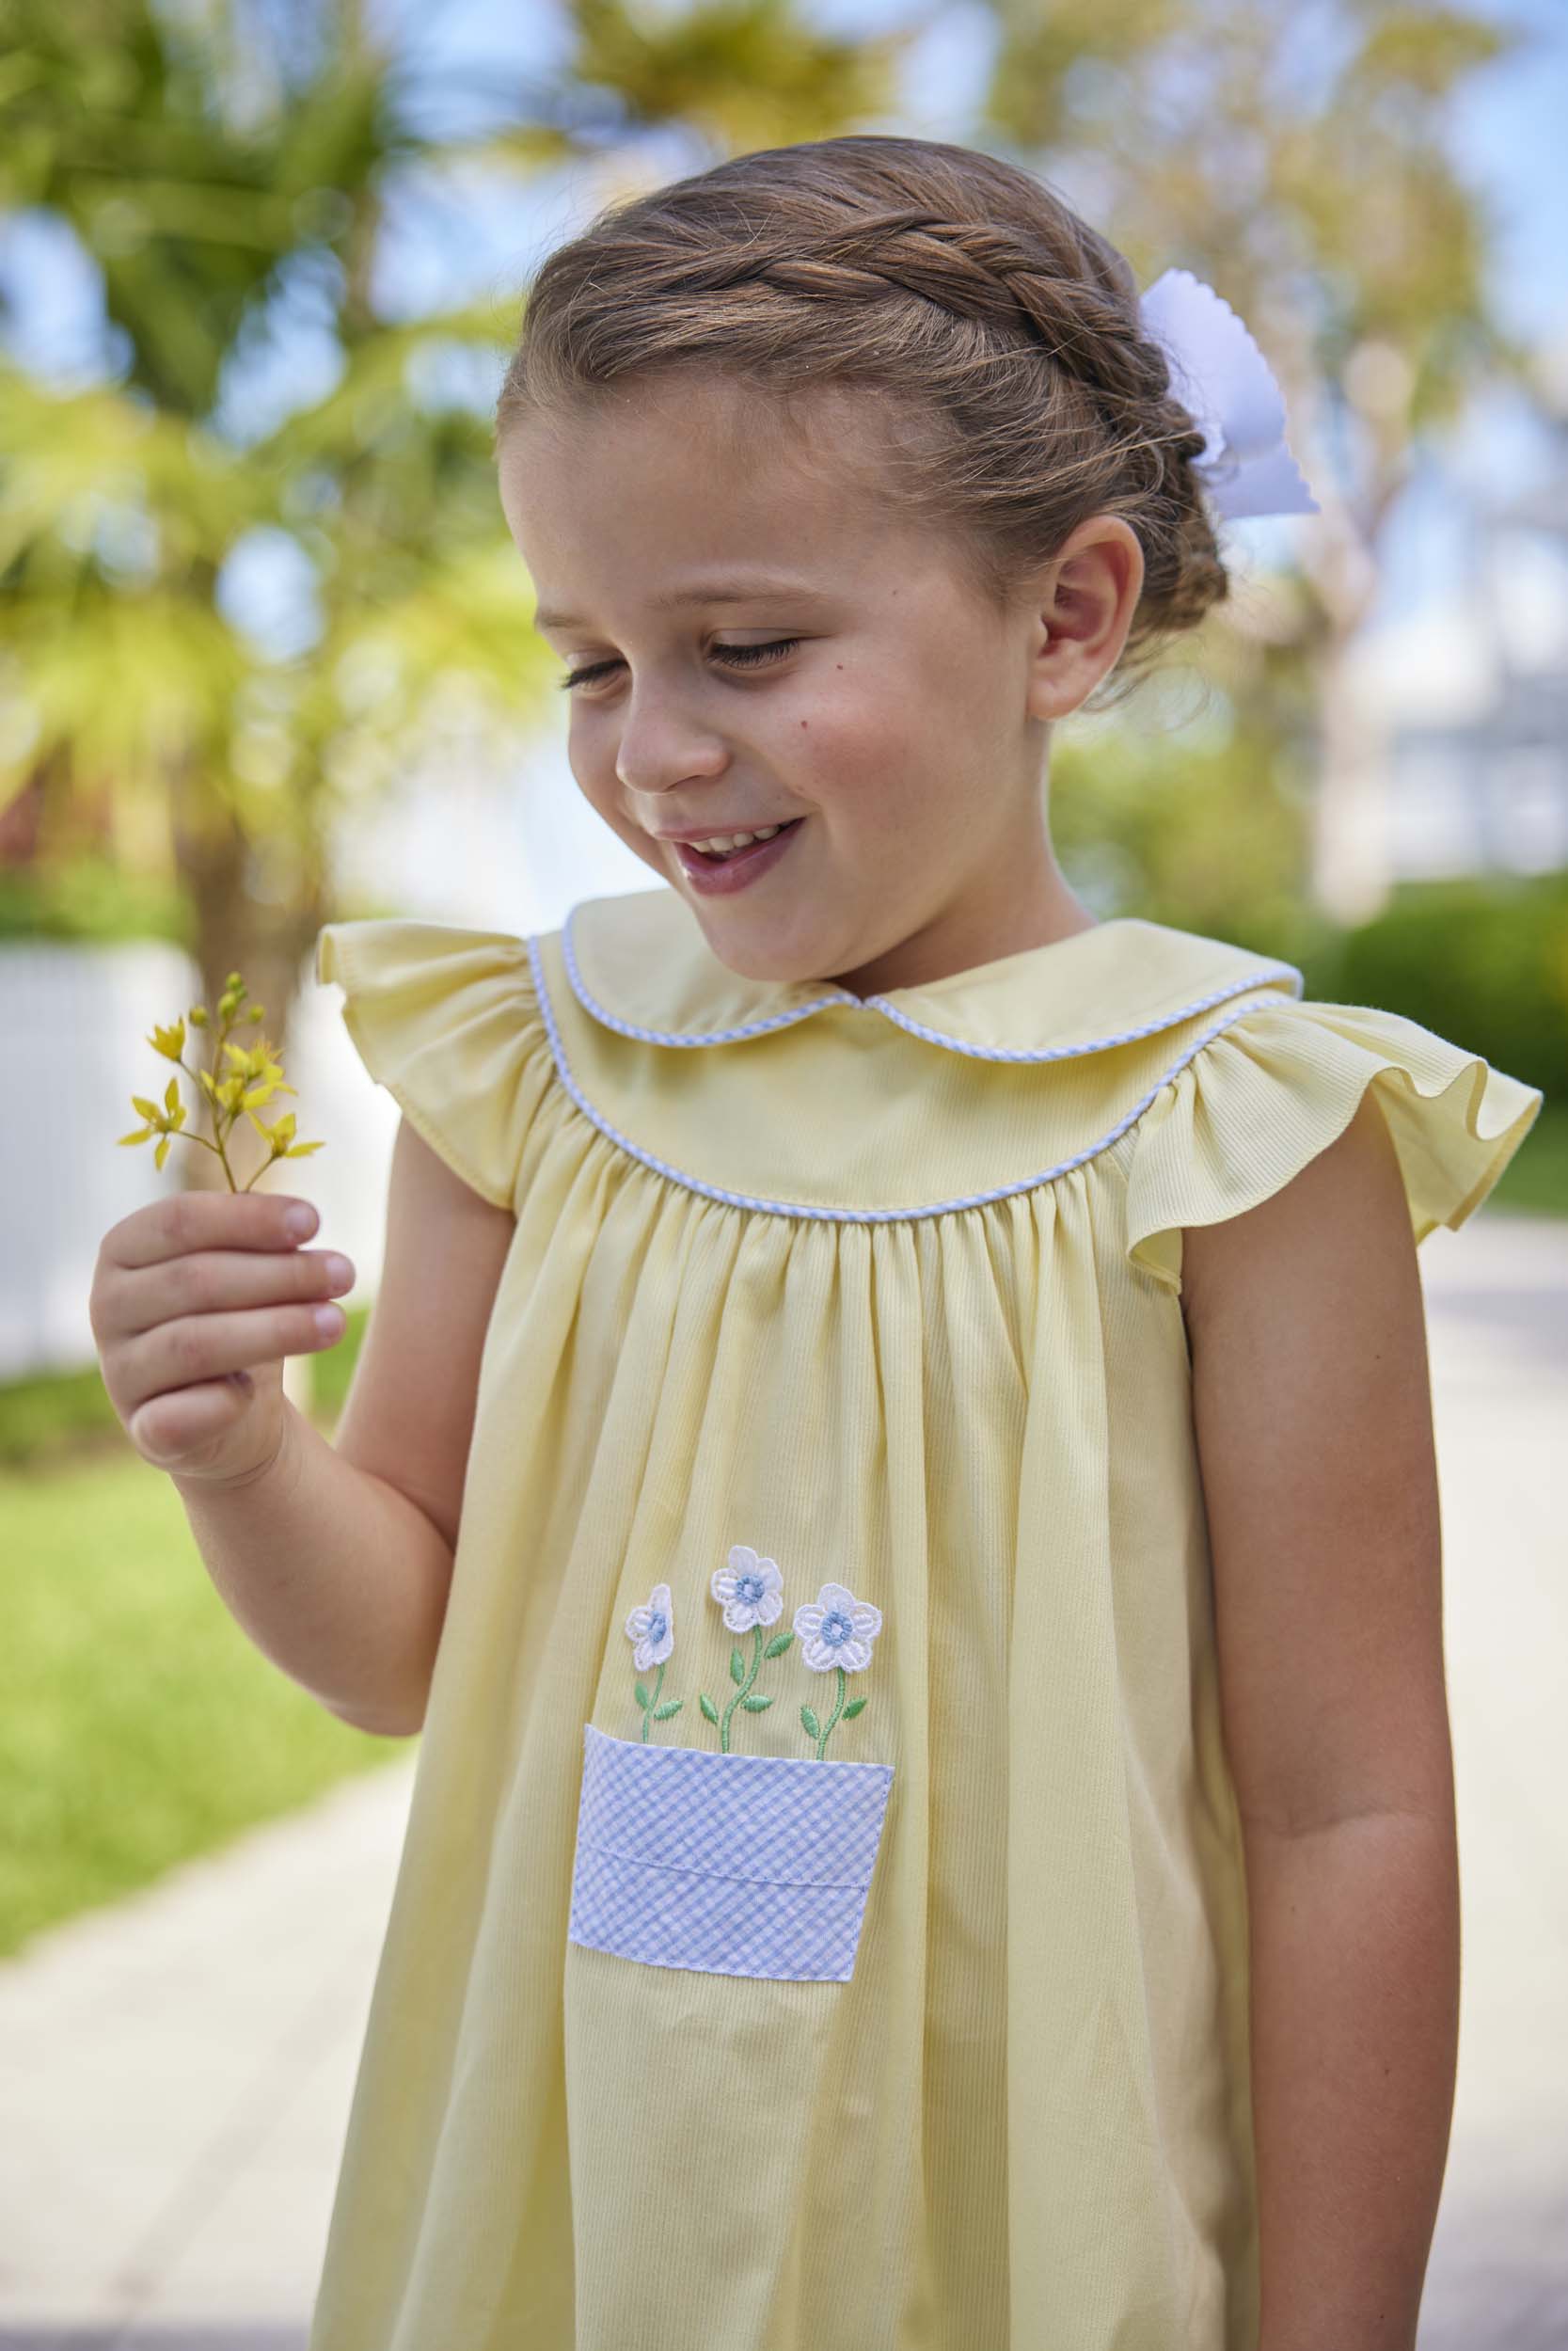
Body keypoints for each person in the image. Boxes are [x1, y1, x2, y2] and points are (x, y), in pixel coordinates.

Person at [90, 135, 1544, 2351]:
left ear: (1064, 614)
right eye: (589, 662)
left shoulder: (1234, 1130)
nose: (656, 751)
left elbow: (1350, 1808)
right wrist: (237, 1454)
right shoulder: (532, 1068)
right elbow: (403, 1642)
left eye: (745, 645)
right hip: (575, 2220)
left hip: (1031, 2244)